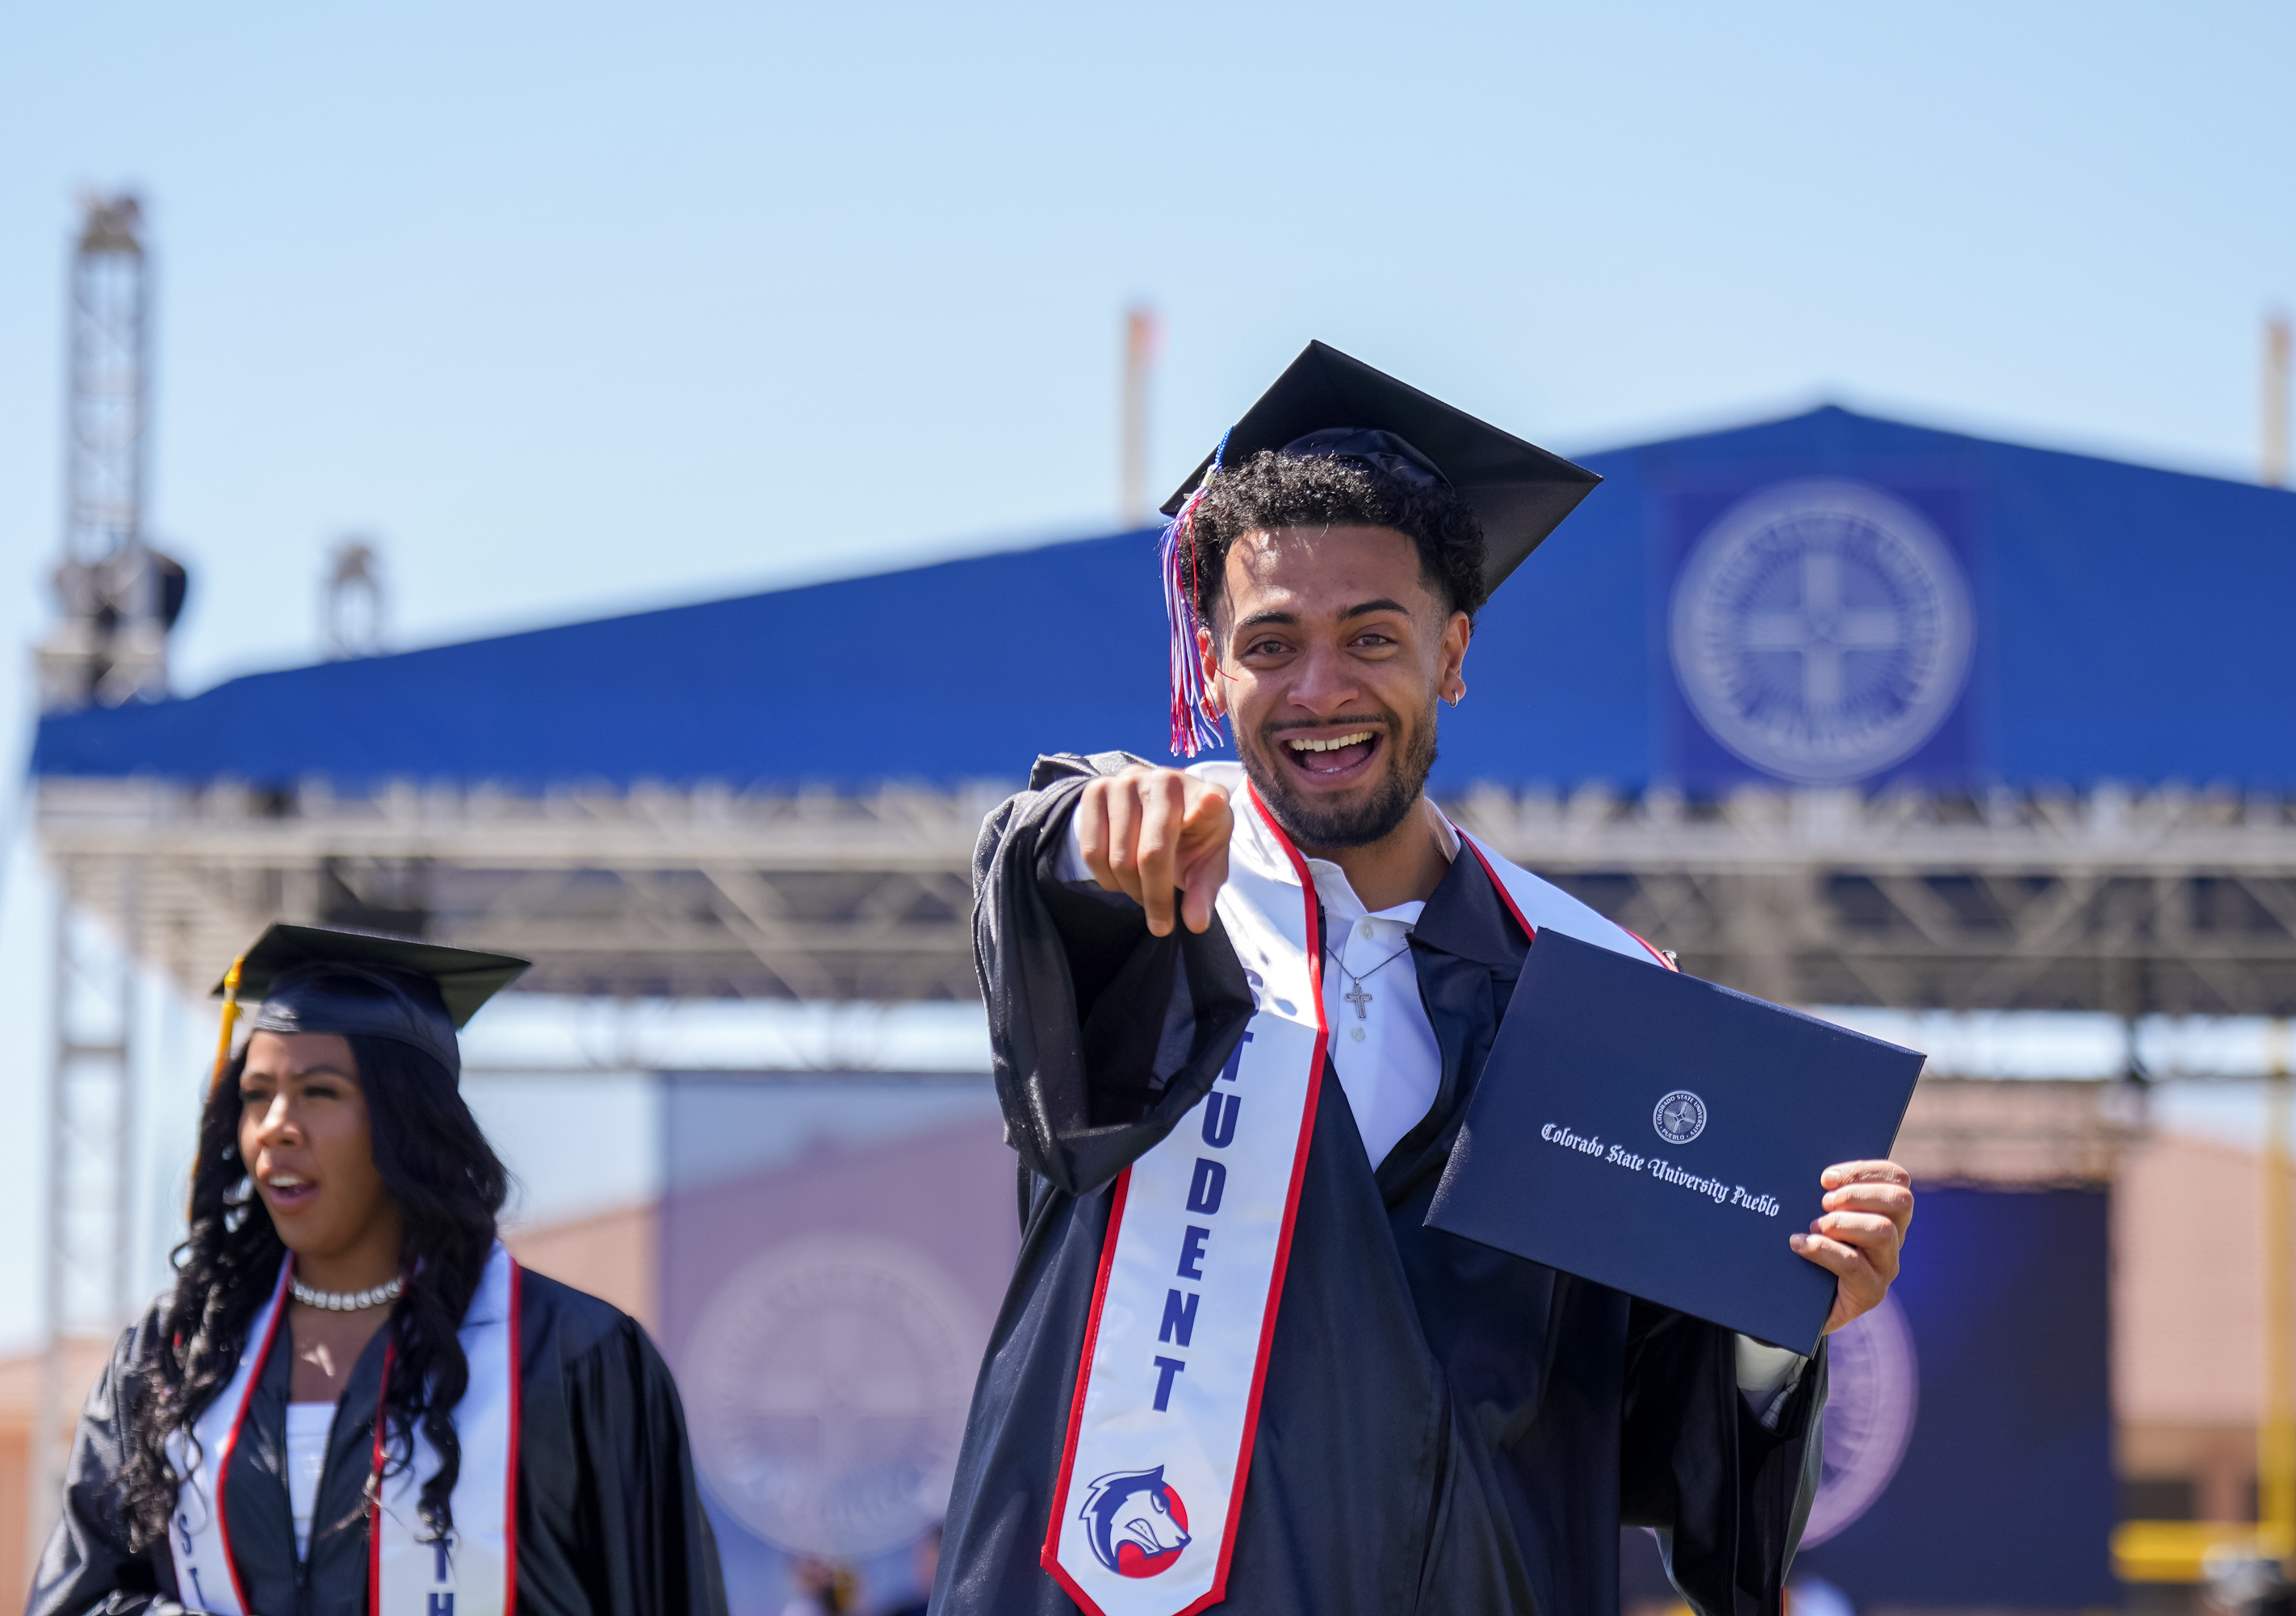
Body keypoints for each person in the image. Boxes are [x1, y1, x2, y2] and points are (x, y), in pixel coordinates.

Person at [932, 343, 1916, 1615]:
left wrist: (1782, 1305)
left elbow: (1652, 1437)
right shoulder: (1151, 902)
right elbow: (1041, 872)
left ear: (1453, 651)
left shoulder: (1598, 1000)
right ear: (1213, 661)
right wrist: (1088, 833)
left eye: (1373, 636)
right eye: (1270, 642)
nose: (1320, 689)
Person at [31, 923, 728, 1616]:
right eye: (256, 1094)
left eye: (320, 1091)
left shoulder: (573, 1359)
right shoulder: (175, 1359)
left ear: (407, 1123)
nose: (277, 1124)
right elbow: (77, 1600)